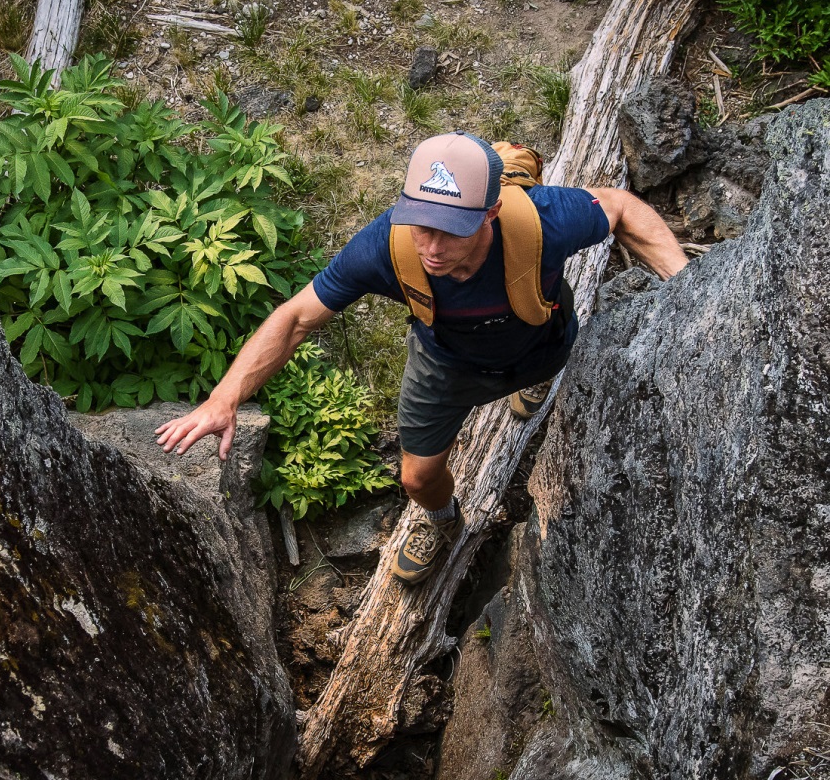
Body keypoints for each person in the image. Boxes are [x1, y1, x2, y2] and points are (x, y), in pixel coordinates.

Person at [156, 131, 688, 584]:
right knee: (416, 479)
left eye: (451, 230)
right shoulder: (385, 247)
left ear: (491, 213)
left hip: (540, 343)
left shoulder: (544, 221)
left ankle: (533, 385)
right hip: (446, 364)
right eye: (420, 223)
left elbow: (622, 208)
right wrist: (225, 398)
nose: (431, 247)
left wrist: (692, 289)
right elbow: (296, 318)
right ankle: (441, 520)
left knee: (542, 368)